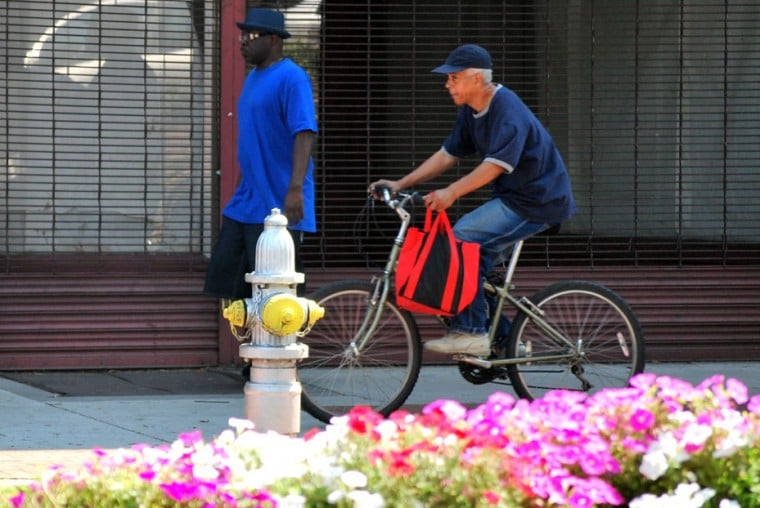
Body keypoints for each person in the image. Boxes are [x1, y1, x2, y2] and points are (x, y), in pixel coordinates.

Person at [370, 44, 576, 357]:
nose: (447, 84)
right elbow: (446, 155)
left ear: (476, 79)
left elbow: (494, 166)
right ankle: (507, 344)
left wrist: (451, 192)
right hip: (513, 198)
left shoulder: (508, 111)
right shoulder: (471, 110)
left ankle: (472, 333)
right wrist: (400, 183)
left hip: (536, 202)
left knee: (459, 240)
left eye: (453, 78)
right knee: (472, 267)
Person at [204, 7, 318, 300]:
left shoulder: (292, 78)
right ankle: (252, 343)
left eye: (252, 35)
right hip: (247, 202)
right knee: (228, 284)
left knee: (277, 296)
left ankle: (284, 342)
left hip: (279, 205)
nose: (244, 41)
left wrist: (295, 189)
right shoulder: (253, 78)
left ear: (274, 41)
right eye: (243, 34)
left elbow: (304, 132)